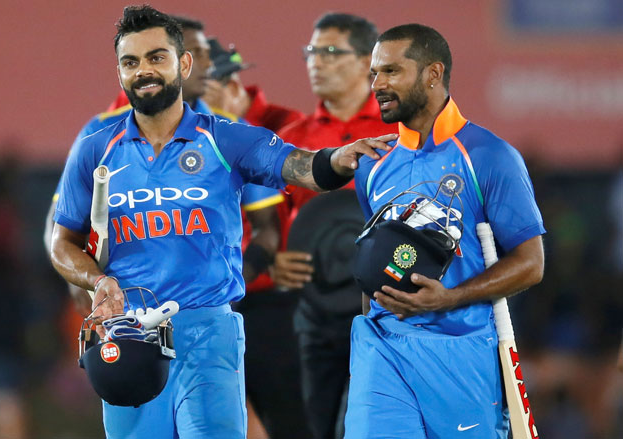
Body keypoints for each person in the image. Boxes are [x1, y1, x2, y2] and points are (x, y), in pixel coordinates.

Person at [49, 6, 394, 439]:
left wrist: (337, 160)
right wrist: (97, 282)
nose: (144, 71)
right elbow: (62, 243)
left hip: (208, 333)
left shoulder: (225, 136)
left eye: (157, 57)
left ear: (184, 63)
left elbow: (299, 167)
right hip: (128, 333)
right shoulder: (95, 146)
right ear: (119, 72)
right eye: (130, 62)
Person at [343, 24, 546, 439]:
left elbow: (531, 264)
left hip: (461, 352)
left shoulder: (489, 156)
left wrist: (451, 297)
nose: (377, 85)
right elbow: (375, 261)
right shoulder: (371, 165)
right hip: (382, 344)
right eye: (374, 74)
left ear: (433, 74)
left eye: (391, 72)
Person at [44, 14, 219, 317]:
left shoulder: (225, 131)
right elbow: (60, 225)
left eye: (206, 53)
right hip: (128, 308)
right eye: (137, 60)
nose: (209, 63)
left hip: (207, 309)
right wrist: (82, 280)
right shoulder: (101, 133)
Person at [272, 13, 393, 439]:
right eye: (311, 52)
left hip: (388, 309)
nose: (315, 63)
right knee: (311, 428)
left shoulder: (399, 133)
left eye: (329, 52)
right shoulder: (290, 140)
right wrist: (272, 261)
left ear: (366, 63)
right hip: (313, 314)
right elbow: (263, 225)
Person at [206, 38, 310, 439]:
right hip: (207, 308)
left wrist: (292, 251)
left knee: (291, 421)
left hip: (271, 304)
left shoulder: (285, 128)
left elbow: (320, 216)